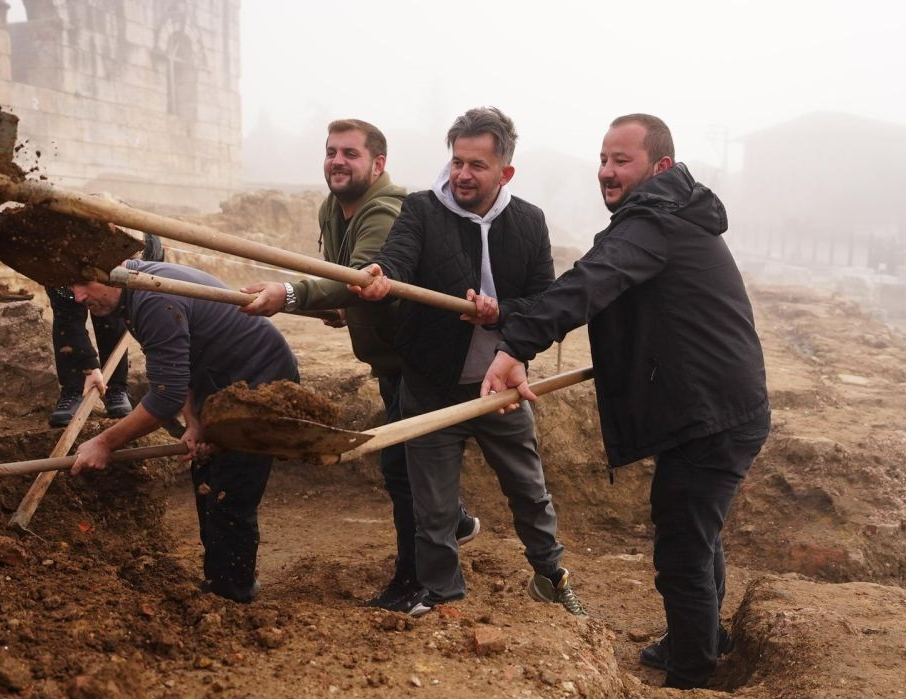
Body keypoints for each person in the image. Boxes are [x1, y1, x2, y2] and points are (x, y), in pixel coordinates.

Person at [480, 114, 770, 689]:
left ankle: (693, 673)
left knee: (683, 545)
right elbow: (601, 288)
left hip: (709, 415)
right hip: (714, 408)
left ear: (660, 167)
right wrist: (509, 314)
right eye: (604, 160)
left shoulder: (655, 222)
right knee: (695, 532)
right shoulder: (668, 217)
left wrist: (517, 345)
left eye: (622, 161)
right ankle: (702, 639)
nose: (607, 172)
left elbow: (592, 281)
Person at [239, 118, 480, 613]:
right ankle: (452, 521)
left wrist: (287, 294)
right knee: (409, 468)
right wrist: (336, 307)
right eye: (331, 152)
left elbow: (361, 273)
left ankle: (419, 580)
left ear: (378, 164)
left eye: (350, 153)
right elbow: (349, 287)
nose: (337, 161)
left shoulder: (386, 210)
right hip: (392, 360)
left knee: (402, 470)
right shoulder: (336, 207)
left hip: (421, 360)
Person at [352, 107, 584, 618]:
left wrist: (503, 311)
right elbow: (398, 259)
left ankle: (551, 577)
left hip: (499, 388)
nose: (462, 174)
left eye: (477, 165)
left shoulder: (529, 221)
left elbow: (544, 300)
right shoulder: (420, 211)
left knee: (530, 492)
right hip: (431, 384)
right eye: (457, 162)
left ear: (505, 172)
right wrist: (380, 275)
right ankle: (442, 595)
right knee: (432, 506)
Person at [69, 258, 299, 604]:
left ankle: (234, 594)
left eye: (84, 284)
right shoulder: (136, 293)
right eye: (72, 287)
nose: (77, 297)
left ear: (112, 271)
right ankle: (221, 582)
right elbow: (183, 365)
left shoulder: (153, 299)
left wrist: (105, 442)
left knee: (231, 490)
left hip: (262, 382)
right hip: (222, 381)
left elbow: (164, 398)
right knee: (207, 480)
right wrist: (194, 423)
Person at [46, 233, 165, 427]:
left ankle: (115, 387)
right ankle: (74, 388)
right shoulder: (54, 256)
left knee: (110, 314)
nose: (78, 295)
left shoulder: (135, 244)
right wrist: (87, 366)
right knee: (67, 316)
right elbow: (68, 319)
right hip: (61, 258)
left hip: (106, 253)